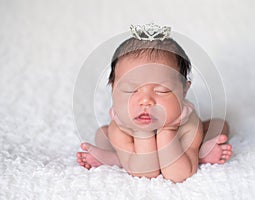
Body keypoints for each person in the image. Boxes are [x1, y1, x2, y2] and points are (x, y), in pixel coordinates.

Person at [76, 24, 232, 183]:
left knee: (219, 125)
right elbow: (146, 173)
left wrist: (168, 131)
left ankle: (200, 153)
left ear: (184, 91)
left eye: (161, 90)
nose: (145, 101)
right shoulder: (121, 127)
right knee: (103, 134)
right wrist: (142, 133)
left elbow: (178, 175)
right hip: (133, 146)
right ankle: (117, 158)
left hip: (178, 136)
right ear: (113, 88)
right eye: (130, 90)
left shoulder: (188, 125)